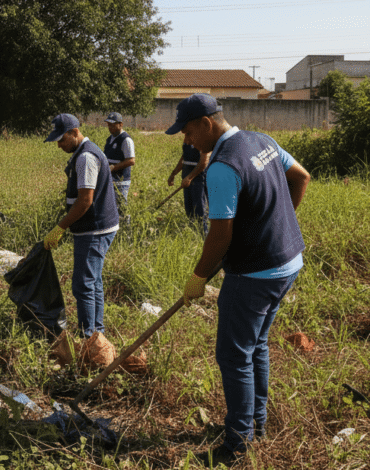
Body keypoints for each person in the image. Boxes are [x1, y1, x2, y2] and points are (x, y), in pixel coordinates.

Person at [166, 94, 310, 465]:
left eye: (188, 131)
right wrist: (277, 223)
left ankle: (236, 445)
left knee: (233, 355)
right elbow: (301, 176)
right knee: (256, 345)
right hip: (289, 262)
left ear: (207, 123)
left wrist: (198, 277)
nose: (187, 140)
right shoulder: (263, 140)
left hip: (254, 275)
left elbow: (220, 235)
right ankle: (255, 426)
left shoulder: (222, 167)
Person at [43, 113, 120, 338]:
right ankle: (96, 333)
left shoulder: (86, 157)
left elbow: (85, 200)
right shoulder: (83, 152)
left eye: (62, 140)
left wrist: (60, 227)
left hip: (94, 228)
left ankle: (88, 337)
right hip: (95, 226)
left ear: (75, 133)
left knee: (83, 284)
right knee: (92, 282)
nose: (59, 145)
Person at [166, 143, 210, 234]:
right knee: (189, 208)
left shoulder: (203, 138)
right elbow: (184, 158)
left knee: (199, 208)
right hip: (186, 178)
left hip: (198, 179)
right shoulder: (187, 139)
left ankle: (203, 235)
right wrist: (173, 173)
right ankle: (193, 234)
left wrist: (190, 177)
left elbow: (204, 162)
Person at [103, 112, 135, 203]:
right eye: (109, 125)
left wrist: (113, 167)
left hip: (121, 181)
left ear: (120, 124)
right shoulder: (109, 139)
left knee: (120, 206)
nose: (110, 127)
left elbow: (131, 161)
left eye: (113, 125)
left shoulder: (126, 140)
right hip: (111, 179)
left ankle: (125, 218)